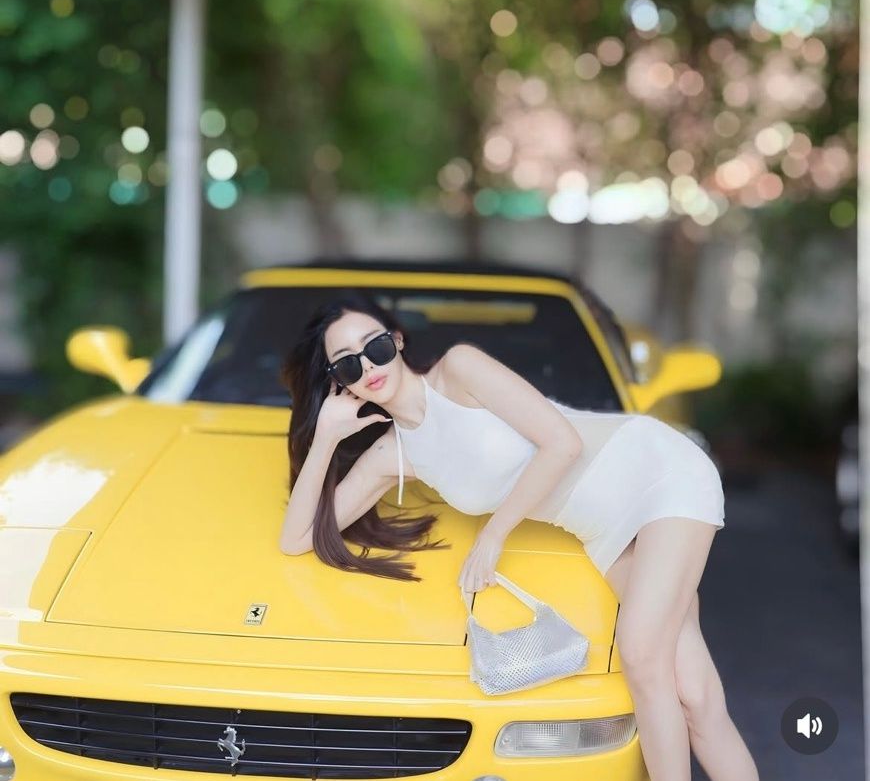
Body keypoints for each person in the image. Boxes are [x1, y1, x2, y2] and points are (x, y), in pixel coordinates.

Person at [279, 290, 759, 781]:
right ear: (339, 382)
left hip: (655, 471)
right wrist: (326, 435)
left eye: (375, 347)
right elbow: (297, 539)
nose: (368, 366)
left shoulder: (459, 369)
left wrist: (494, 534)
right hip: (604, 529)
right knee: (695, 697)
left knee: (641, 655)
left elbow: (562, 442)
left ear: (397, 341)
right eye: (348, 364)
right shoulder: (393, 456)